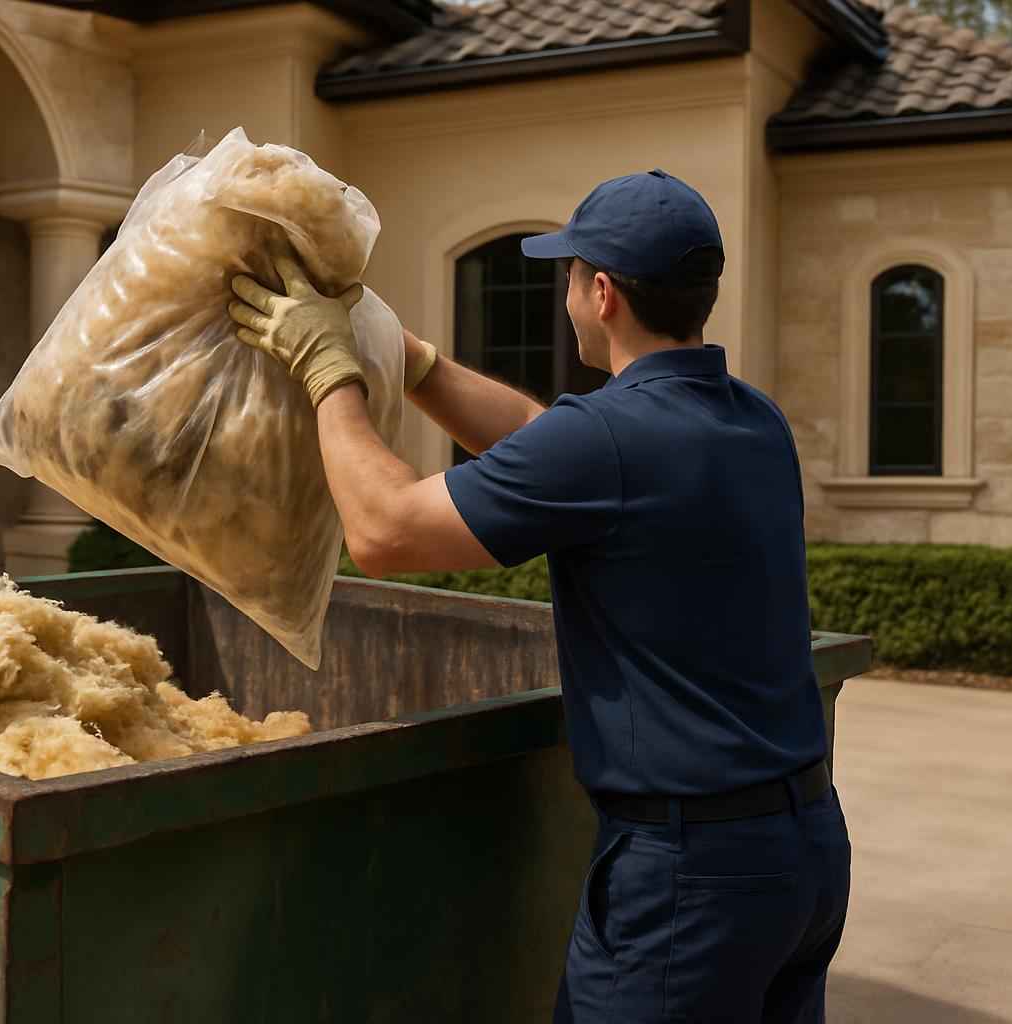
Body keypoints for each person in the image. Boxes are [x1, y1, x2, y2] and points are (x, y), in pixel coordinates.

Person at [226, 169, 853, 1023]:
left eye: (567, 273)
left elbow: (383, 530)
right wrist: (415, 364)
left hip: (688, 877)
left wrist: (327, 369)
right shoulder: (752, 421)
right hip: (804, 850)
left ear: (600, 294)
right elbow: (537, 436)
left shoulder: (608, 441)